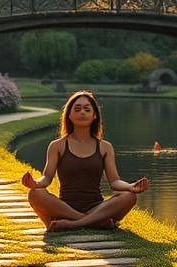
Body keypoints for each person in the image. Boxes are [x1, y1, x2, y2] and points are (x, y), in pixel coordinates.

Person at [21, 90, 149, 231]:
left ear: (94, 115)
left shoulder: (105, 147)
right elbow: (47, 178)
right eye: (77, 109)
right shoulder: (57, 145)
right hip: (65, 207)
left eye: (87, 109)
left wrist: (130, 187)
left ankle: (74, 224)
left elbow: (114, 182)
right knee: (35, 193)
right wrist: (35, 183)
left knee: (129, 197)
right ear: (69, 115)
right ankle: (94, 221)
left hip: (97, 206)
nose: (82, 112)